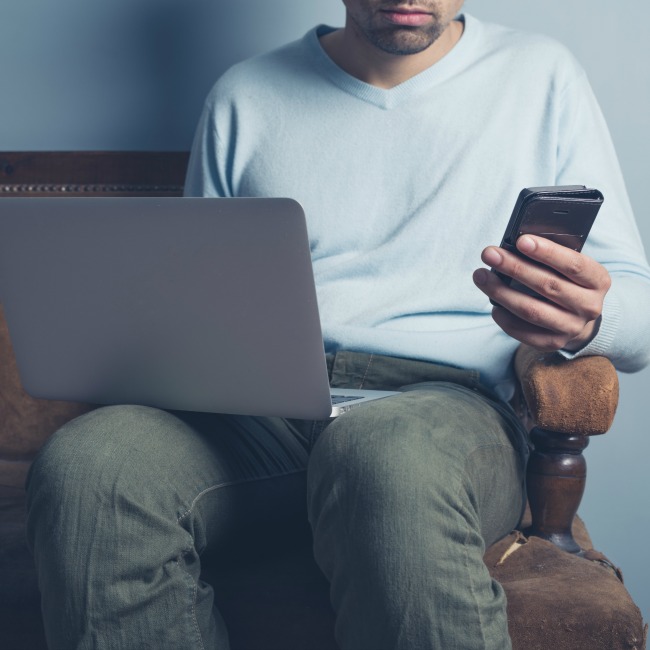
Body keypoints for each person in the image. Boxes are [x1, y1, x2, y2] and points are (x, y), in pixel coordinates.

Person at [26, 1, 650, 649]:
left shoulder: (540, 75)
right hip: (263, 412)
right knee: (90, 462)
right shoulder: (245, 95)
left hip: (446, 411)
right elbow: (197, 297)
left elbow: (638, 314)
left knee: (384, 450)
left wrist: (590, 316)